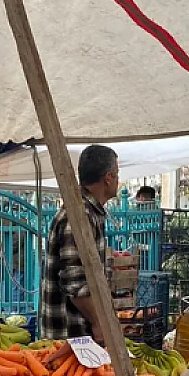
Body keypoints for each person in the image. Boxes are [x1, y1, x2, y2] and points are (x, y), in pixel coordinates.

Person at [40, 144, 118, 341]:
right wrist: (98, 323)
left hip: (80, 335)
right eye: (117, 174)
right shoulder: (78, 216)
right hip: (71, 336)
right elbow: (75, 282)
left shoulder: (91, 212)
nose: (118, 180)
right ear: (108, 177)